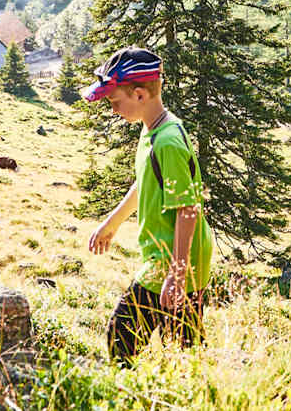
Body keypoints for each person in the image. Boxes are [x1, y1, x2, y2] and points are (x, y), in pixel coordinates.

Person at [85, 47, 214, 365]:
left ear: (140, 94)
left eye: (115, 102)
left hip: (172, 257)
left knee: (121, 337)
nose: (113, 110)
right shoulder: (155, 129)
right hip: (180, 256)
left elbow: (188, 209)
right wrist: (112, 223)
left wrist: (177, 274)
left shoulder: (166, 141)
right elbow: (145, 182)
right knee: (185, 346)